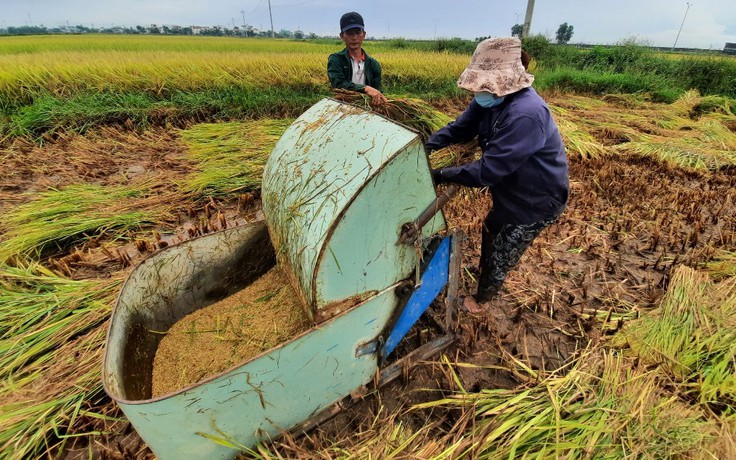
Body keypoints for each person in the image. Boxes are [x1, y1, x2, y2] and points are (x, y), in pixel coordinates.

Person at [426, 37, 569, 314]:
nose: (478, 90)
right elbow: (461, 128)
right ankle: (486, 271)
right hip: (510, 188)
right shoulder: (490, 97)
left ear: (507, 79)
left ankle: (482, 299)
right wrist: (428, 145)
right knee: (492, 229)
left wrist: (439, 174)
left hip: (535, 198)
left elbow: (489, 170)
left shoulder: (526, 114)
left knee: (504, 246)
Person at [327, 12, 387, 106]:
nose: (354, 38)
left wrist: (378, 101)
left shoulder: (373, 64)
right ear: (342, 36)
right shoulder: (336, 60)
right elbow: (339, 84)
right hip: (342, 106)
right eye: (349, 33)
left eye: (358, 33)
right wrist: (366, 88)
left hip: (367, 109)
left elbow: (377, 90)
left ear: (364, 34)